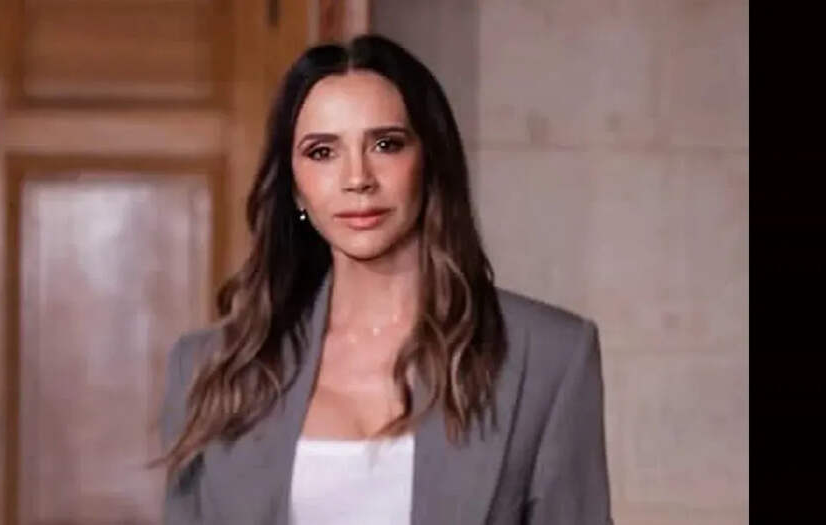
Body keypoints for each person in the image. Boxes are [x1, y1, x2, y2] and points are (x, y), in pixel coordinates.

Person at [159, 34, 613, 525]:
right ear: (294, 187)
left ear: (430, 160)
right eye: (322, 152)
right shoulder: (210, 368)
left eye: (385, 145)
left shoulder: (549, 356)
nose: (358, 178)